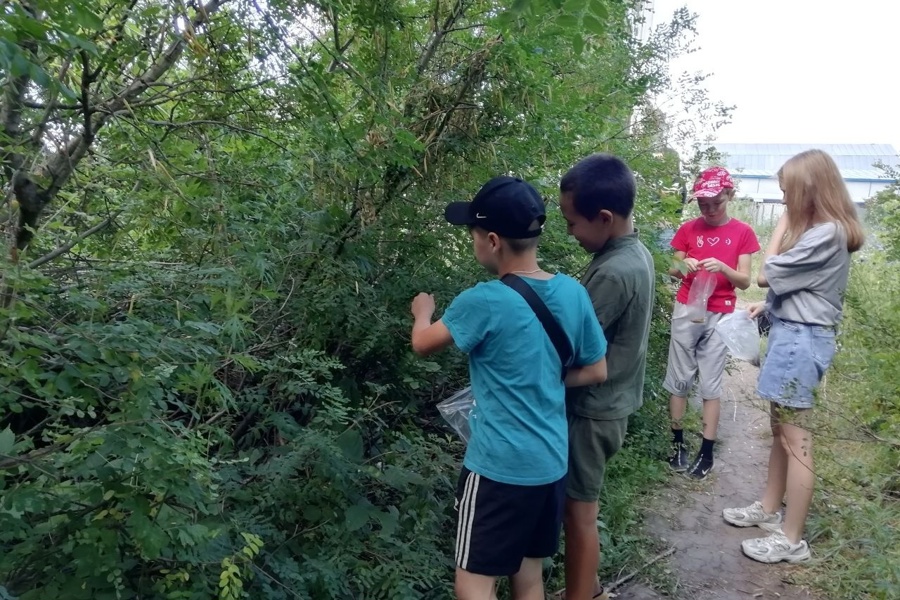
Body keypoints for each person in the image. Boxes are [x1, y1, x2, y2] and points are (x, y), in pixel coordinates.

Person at [410, 175, 610, 600]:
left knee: (473, 582)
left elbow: (422, 345)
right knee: (528, 574)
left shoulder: (483, 300)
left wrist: (422, 311)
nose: (473, 242)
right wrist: (547, 377)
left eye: (474, 234)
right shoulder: (573, 293)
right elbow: (596, 370)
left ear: (494, 240)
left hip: (498, 469)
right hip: (550, 464)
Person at [723, 149, 864, 564]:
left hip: (801, 341)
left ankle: (791, 539)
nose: (783, 199)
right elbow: (808, 288)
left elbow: (768, 273)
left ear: (807, 191)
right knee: (781, 431)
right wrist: (767, 307)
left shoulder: (825, 232)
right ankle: (769, 509)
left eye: (787, 192)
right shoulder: (825, 231)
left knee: (796, 440)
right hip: (793, 333)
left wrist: (783, 224)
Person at [556, 154, 656, 600]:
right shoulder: (633, 253)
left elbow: (573, 346)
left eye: (572, 223)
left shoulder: (614, 273)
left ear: (604, 218)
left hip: (593, 411)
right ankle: (588, 587)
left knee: (579, 515)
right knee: (580, 508)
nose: (570, 232)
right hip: (611, 404)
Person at [664, 166, 760, 479]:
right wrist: (683, 264)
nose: (709, 210)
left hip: (721, 312)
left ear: (729, 196)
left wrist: (723, 268)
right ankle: (677, 443)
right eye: (703, 204)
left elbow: (745, 281)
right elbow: (672, 268)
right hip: (688, 309)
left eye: (716, 203)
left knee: (710, 383)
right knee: (679, 377)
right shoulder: (689, 229)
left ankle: (706, 452)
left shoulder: (742, 232)